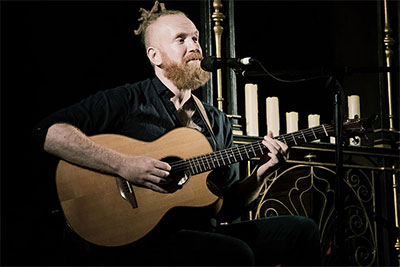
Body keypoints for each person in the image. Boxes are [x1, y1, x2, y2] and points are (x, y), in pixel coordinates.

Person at [33, 1, 322, 265]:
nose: (194, 46)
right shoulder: (128, 100)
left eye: (195, 38)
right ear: (155, 56)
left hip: (198, 232)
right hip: (138, 236)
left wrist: (262, 172)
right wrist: (124, 165)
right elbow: (48, 132)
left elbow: (227, 207)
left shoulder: (216, 121)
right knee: (235, 254)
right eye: (181, 40)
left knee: (301, 231)